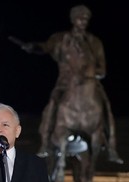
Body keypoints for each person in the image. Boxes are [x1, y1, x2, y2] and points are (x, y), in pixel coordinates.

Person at [16, 4, 123, 164]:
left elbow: (102, 70)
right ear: (73, 19)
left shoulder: (95, 43)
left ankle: (111, 147)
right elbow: (45, 47)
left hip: (89, 83)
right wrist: (33, 47)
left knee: (106, 106)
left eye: (86, 18)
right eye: (80, 17)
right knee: (52, 105)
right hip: (66, 83)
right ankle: (45, 142)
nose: (83, 21)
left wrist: (90, 74)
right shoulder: (60, 38)